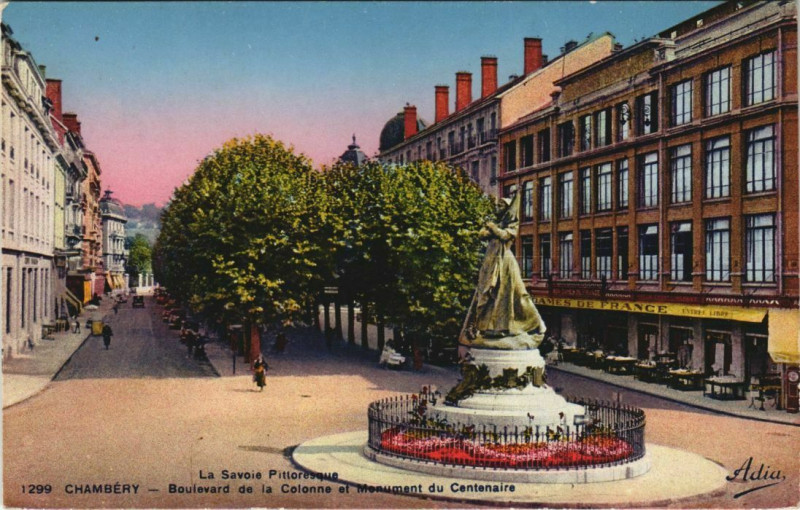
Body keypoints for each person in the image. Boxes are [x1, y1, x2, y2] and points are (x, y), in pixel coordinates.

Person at [459, 192, 545, 350]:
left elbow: (505, 236)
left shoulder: (511, 225)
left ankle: (536, 324)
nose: (496, 208)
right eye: (497, 205)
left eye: (500, 206)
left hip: (505, 263)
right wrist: (491, 228)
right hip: (490, 263)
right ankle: (492, 328)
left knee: (516, 295)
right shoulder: (496, 223)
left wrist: (493, 228)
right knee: (491, 297)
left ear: (507, 210)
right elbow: (481, 234)